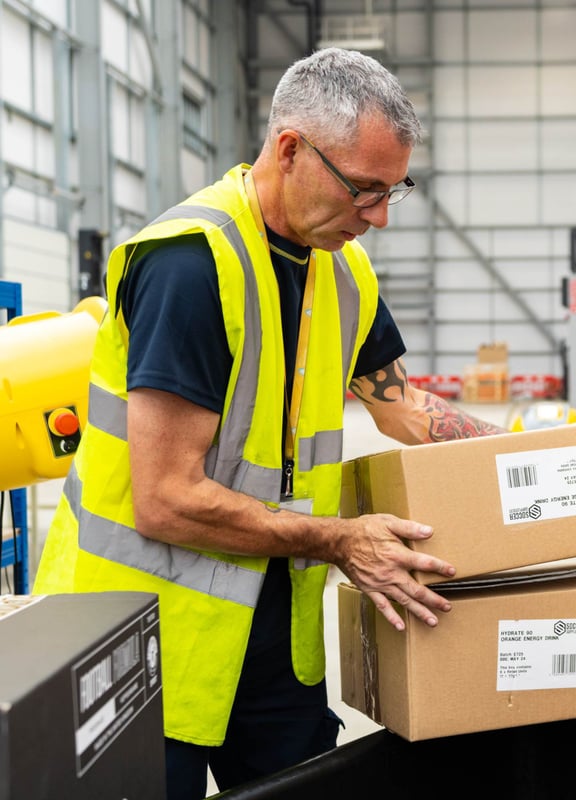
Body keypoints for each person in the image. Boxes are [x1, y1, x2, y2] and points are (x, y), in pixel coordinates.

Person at [33, 47, 505, 799]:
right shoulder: (191, 265)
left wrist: (559, 467)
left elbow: (406, 413)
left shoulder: (342, 269)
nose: (379, 217)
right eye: (366, 190)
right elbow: (165, 497)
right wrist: (343, 540)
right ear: (290, 150)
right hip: (146, 644)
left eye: (395, 192)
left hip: (274, 638)